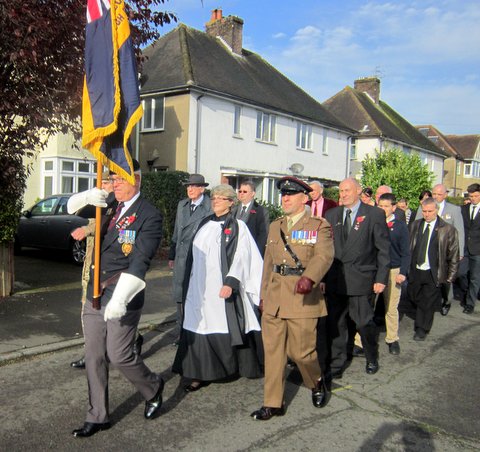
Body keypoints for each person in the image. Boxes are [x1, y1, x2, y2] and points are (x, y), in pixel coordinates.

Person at [69, 160, 165, 437]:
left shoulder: (149, 215)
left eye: (121, 179)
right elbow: (71, 208)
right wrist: (88, 196)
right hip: (95, 292)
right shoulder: (107, 202)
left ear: (137, 180)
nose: (116, 184)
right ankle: (97, 415)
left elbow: (140, 260)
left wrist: (121, 298)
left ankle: (153, 386)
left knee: (120, 355)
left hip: (123, 292)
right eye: (113, 178)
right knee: (94, 355)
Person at [251, 177, 334, 421]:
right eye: (283, 195)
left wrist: (310, 278)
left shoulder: (319, 225)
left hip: (302, 297)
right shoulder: (276, 225)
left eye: (291, 194)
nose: (285, 198)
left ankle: (316, 381)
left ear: (304, 198)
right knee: (273, 353)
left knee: (301, 353)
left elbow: (324, 256)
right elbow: (268, 263)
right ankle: (272, 403)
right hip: (276, 296)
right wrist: (263, 294)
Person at [172, 184, 263, 391]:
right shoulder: (205, 223)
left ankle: (226, 368)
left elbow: (242, 254)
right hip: (198, 288)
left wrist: (231, 281)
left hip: (220, 288)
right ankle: (197, 373)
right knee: (197, 325)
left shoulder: (238, 226)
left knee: (218, 324)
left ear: (232, 203)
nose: (215, 201)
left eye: (220, 199)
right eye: (213, 198)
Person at [324, 178, 390, 378]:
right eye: (341, 191)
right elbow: (326, 249)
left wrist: (381, 278)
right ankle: (337, 364)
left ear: (358, 191)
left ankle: (372, 356)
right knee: (336, 324)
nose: (342, 194)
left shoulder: (374, 214)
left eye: (347, 190)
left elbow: (383, 250)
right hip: (337, 279)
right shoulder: (332, 214)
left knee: (364, 323)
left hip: (361, 278)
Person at [353, 193, 410, 356]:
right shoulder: (370, 222)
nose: (383, 209)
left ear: (393, 207)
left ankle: (392, 339)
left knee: (391, 307)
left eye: (386, 206)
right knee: (367, 307)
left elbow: (406, 252)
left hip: (393, 271)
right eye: (380, 206)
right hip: (373, 270)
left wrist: (403, 273)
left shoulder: (400, 226)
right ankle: (359, 341)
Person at [168, 174, 212, 343]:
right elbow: (176, 232)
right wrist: (172, 254)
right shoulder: (182, 205)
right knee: (179, 295)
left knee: (196, 295)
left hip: (198, 257)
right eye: (188, 186)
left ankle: (197, 331)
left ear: (202, 189)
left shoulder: (209, 207)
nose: (190, 189)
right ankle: (182, 331)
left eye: (194, 186)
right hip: (181, 257)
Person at [408, 198, 459, 340]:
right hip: (416, 269)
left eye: (430, 211)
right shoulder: (415, 225)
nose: (427, 214)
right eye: (424, 211)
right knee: (414, 296)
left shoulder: (447, 230)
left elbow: (453, 255)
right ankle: (421, 318)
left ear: (436, 210)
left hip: (433, 272)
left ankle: (422, 328)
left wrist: (450, 277)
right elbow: (408, 248)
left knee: (427, 302)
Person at [430, 184, 465, 315]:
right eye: (434, 194)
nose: (436, 196)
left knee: (445, 278)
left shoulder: (454, 210)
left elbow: (459, 231)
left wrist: (459, 251)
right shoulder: (426, 207)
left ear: (445, 195)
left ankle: (446, 300)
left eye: (439, 194)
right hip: (430, 248)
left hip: (447, 250)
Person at [232, 180, 269, 256]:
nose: (241, 194)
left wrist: (257, 254)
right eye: (240, 191)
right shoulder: (233, 210)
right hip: (235, 251)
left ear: (253, 193)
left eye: (245, 192)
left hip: (251, 251)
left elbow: (263, 235)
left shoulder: (261, 211)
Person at [460, 183, 480, 314]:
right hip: (464, 248)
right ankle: (467, 293)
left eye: (476, 196)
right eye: (471, 196)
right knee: (461, 274)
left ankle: (470, 303)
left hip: (478, 249)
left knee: (474, 277)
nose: (473, 198)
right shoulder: (463, 209)